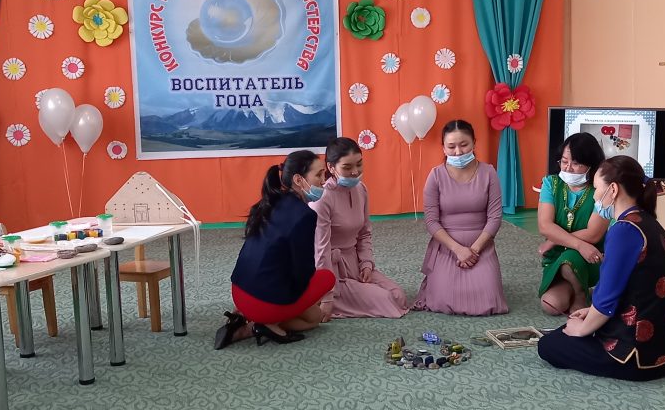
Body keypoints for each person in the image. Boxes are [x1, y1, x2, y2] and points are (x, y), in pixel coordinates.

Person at [538, 156, 665, 381]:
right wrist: (590, 311)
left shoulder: (623, 231)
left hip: (634, 358)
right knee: (572, 327)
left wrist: (582, 329)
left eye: (596, 188)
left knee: (549, 344)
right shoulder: (647, 221)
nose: (595, 196)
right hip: (662, 352)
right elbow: (632, 289)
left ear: (612, 189)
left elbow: (607, 297)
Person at [216, 150, 336, 349]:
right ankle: (257, 326)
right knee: (327, 278)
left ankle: (249, 321)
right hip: (264, 302)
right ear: (298, 180)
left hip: (239, 292)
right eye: (319, 174)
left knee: (314, 316)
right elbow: (303, 271)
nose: (324, 180)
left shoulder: (272, 200)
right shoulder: (305, 215)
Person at [413, 120, 507, 315]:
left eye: (464, 145)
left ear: (474, 143)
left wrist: (473, 251)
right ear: (443, 148)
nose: (458, 152)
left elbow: (495, 218)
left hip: (481, 246)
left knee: (489, 300)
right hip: (447, 247)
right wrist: (458, 250)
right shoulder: (435, 176)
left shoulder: (489, 173)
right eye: (451, 146)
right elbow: (431, 221)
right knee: (443, 299)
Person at [309, 137, 408, 319]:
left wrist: (367, 264)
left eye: (359, 164)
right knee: (386, 300)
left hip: (355, 263)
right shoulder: (322, 199)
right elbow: (320, 250)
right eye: (347, 167)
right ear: (331, 167)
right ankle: (328, 297)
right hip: (332, 272)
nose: (355, 172)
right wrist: (327, 295)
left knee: (398, 296)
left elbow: (364, 234)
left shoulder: (361, 189)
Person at [537, 132, 608, 315]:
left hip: (591, 256)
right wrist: (578, 244)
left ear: (591, 164)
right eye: (564, 161)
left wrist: (555, 240)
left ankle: (580, 295)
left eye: (576, 163)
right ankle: (577, 287)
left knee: (570, 259)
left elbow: (593, 234)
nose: (568, 168)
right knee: (551, 305)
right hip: (558, 256)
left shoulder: (601, 189)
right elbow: (545, 226)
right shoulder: (551, 183)